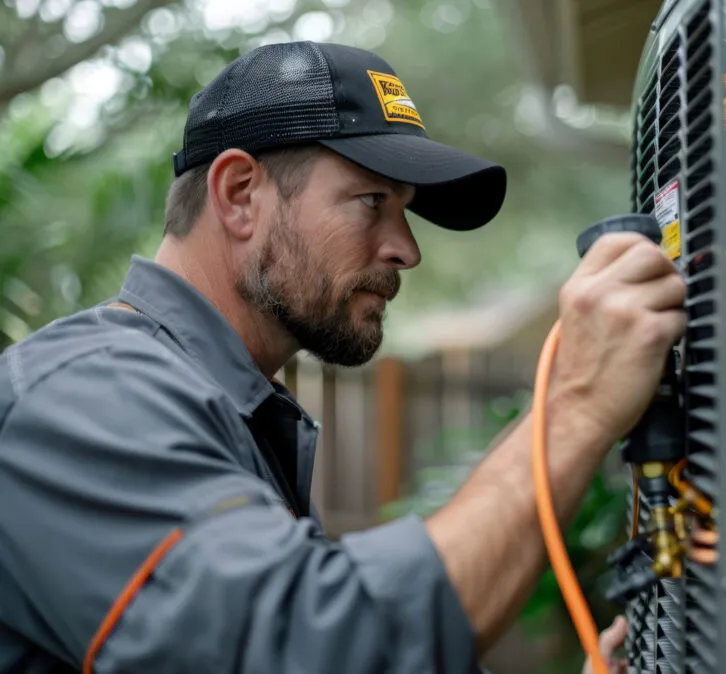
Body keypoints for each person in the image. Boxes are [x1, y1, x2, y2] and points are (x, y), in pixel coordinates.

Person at [0, 41, 684, 673]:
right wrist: (575, 403)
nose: (406, 249)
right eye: (372, 201)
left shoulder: (228, 407)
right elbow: (308, 646)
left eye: (406, 210)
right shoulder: (87, 394)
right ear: (240, 195)